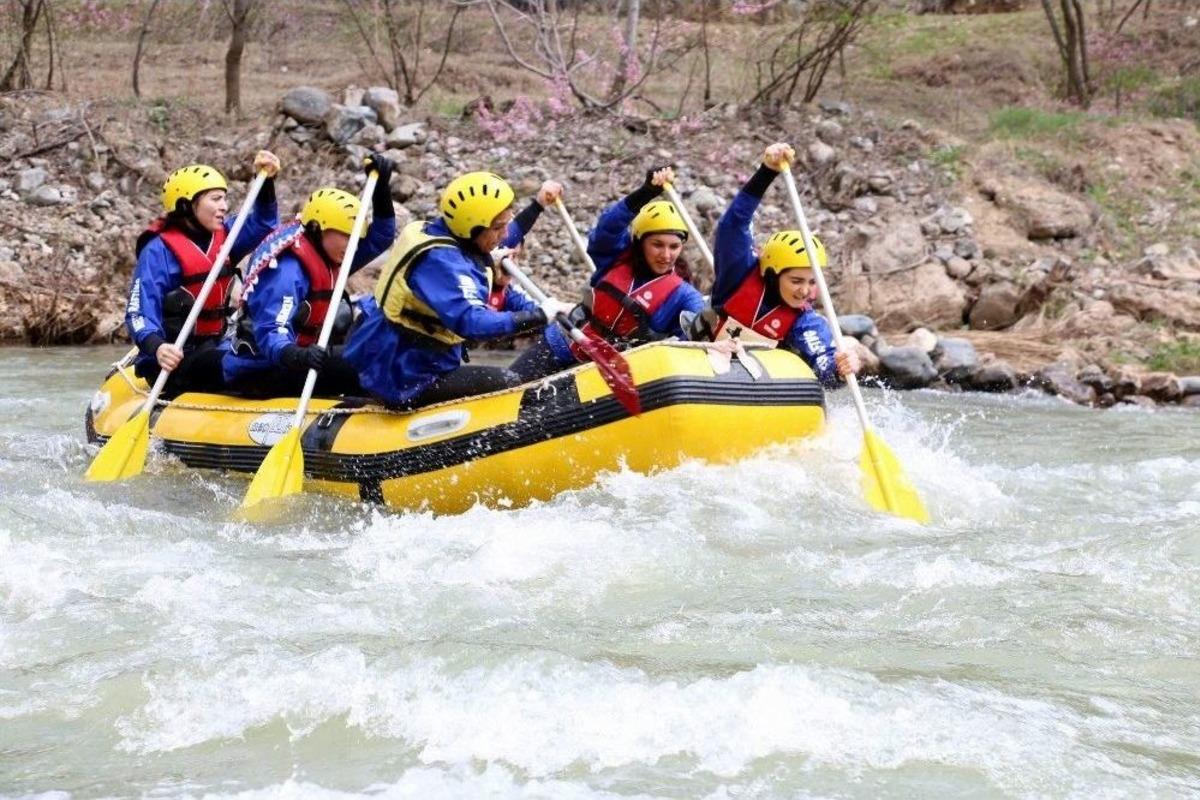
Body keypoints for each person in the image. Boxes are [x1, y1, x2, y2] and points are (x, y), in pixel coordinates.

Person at [344, 171, 572, 408]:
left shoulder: (453, 233)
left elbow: (507, 234)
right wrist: (541, 315)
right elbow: (473, 322)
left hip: (418, 359)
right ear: (471, 229)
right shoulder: (440, 264)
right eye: (498, 227)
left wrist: (538, 205)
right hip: (402, 372)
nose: (504, 234)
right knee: (508, 382)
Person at [509, 166, 706, 382]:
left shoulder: (684, 296)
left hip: (609, 374)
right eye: (657, 245)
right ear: (640, 243)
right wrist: (646, 192)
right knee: (510, 382)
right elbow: (608, 227)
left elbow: (695, 336)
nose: (666, 255)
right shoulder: (615, 257)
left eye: (674, 246)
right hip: (562, 344)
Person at [223, 155, 397, 397]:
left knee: (376, 343)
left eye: (356, 237)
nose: (354, 244)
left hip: (301, 358)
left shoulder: (333, 253)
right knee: (367, 365)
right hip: (264, 369)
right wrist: (300, 356)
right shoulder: (286, 270)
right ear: (317, 228)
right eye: (347, 236)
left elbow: (381, 237)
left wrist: (381, 190)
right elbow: (273, 330)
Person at [701, 142, 858, 387]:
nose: (805, 291)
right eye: (796, 280)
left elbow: (822, 363)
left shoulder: (805, 320)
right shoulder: (739, 274)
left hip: (752, 386)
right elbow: (734, 225)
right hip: (701, 362)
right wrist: (767, 172)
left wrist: (839, 369)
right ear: (773, 274)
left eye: (812, 282)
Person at [125, 151, 280, 397]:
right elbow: (138, 313)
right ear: (186, 205)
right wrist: (158, 347)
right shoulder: (158, 251)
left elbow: (264, 224)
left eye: (224, 199)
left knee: (265, 353)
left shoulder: (227, 236)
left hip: (218, 344)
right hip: (176, 358)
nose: (224, 206)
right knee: (246, 365)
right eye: (215, 199)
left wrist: (266, 183)